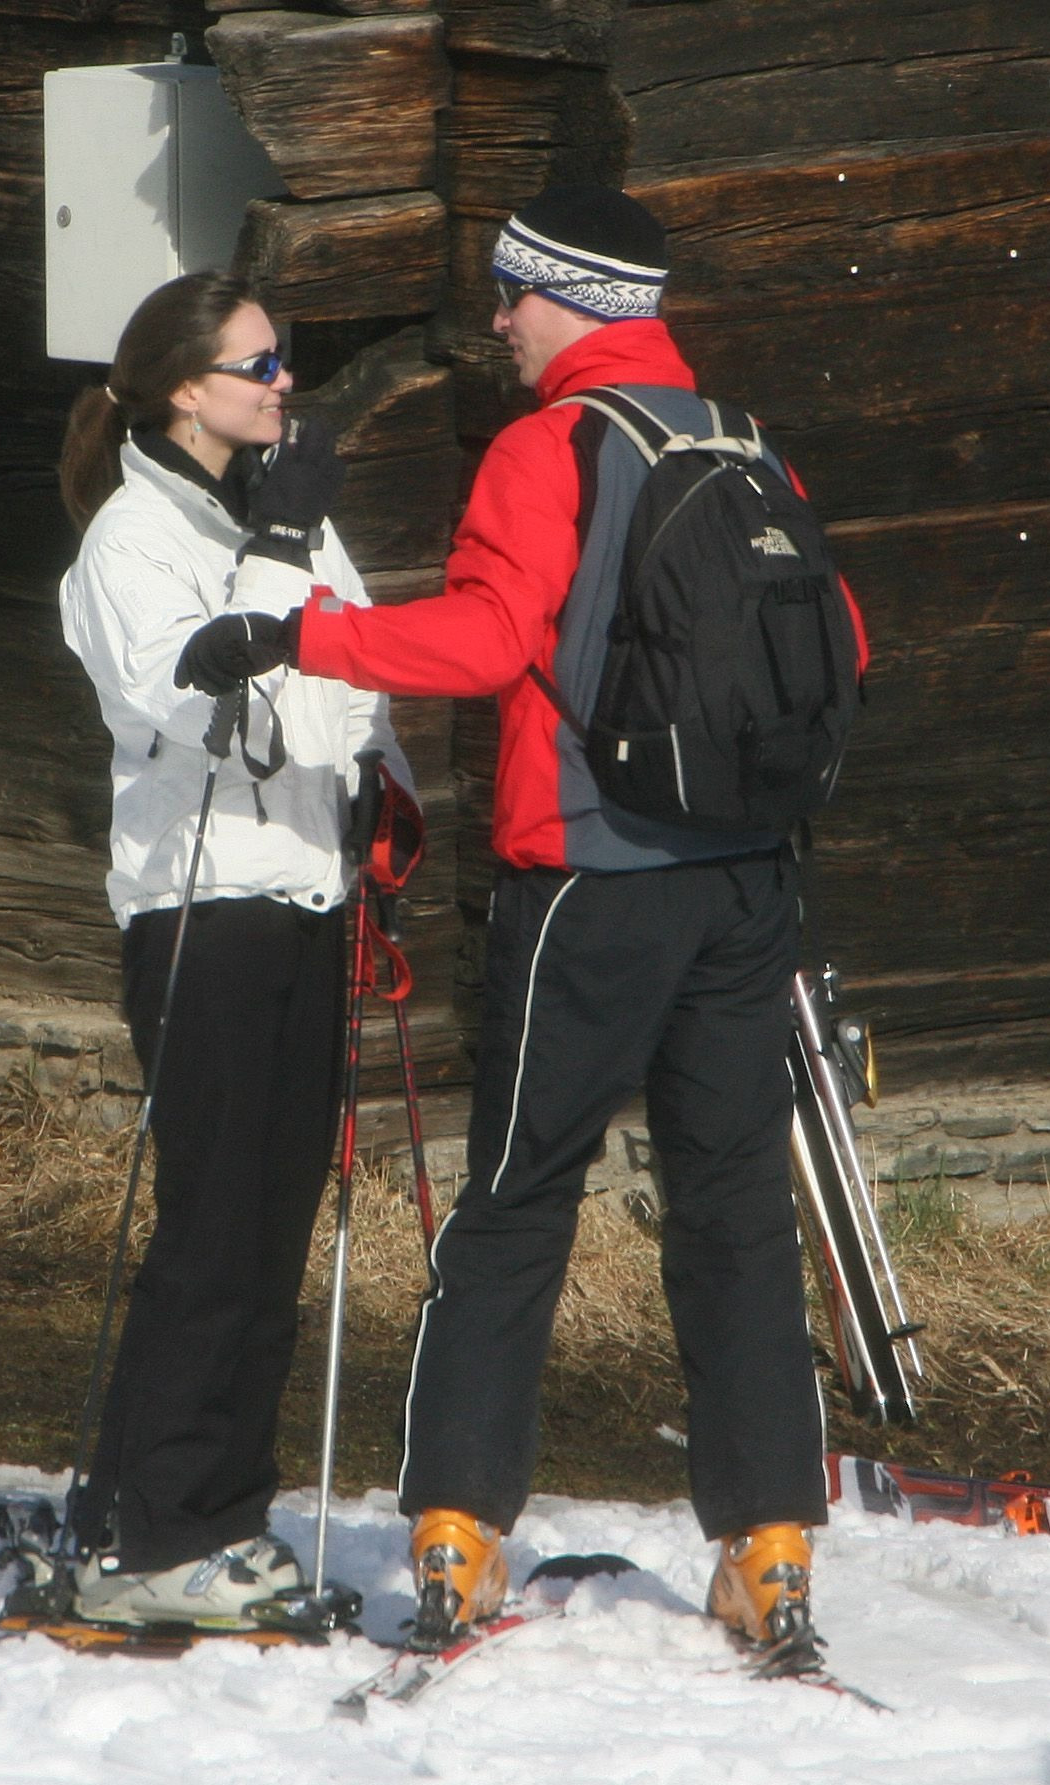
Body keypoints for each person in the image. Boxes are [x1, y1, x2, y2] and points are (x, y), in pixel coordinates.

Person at [193, 184, 871, 1662]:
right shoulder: (749, 444)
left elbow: (490, 637)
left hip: (588, 878)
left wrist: (301, 632)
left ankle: (455, 1528)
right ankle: (768, 1547)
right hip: (748, 883)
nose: (496, 319)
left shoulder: (548, 444)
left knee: (513, 1203)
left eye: (514, 293)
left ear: (576, 299)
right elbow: (847, 642)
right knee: (736, 1212)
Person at [56, 271, 415, 1627]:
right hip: (200, 912)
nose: (285, 387)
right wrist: (275, 553)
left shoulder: (289, 519)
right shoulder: (126, 548)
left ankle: (214, 1507)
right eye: (260, 366)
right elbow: (210, 712)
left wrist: (386, 799)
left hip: (309, 897)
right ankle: (156, 1521)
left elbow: (352, 672)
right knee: (211, 1225)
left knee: (272, 1222)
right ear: (181, 388)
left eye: (286, 363)